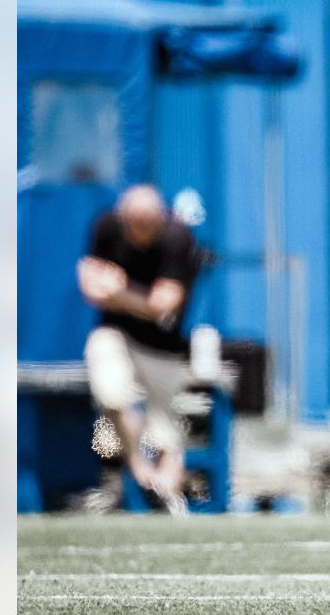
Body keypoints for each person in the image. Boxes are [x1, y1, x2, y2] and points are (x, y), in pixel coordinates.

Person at [77, 184, 201, 515]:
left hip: (163, 346)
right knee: (111, 391)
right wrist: (136, 300)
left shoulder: (177, 239)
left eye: (148, 221)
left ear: (161, 218)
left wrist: (119, 293)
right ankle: (138, 468)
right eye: (134, 221)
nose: (140, 228)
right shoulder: (106, 227)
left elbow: (164, 305)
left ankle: (165, 490)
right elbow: (89, 285)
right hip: (116, 333)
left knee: (167, 431)